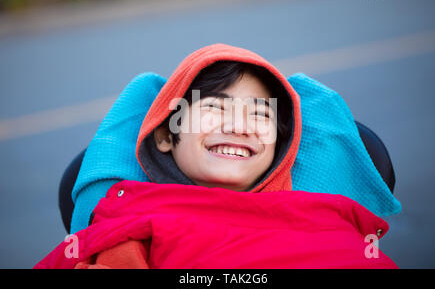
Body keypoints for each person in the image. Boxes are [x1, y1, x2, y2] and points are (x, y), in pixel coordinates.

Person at [35, 43, 398, 269]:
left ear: (279, 148)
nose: (240, 127)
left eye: (260, 115)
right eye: (214, 109)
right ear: (165, 134)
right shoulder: (131, 219)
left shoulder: (323, 218)